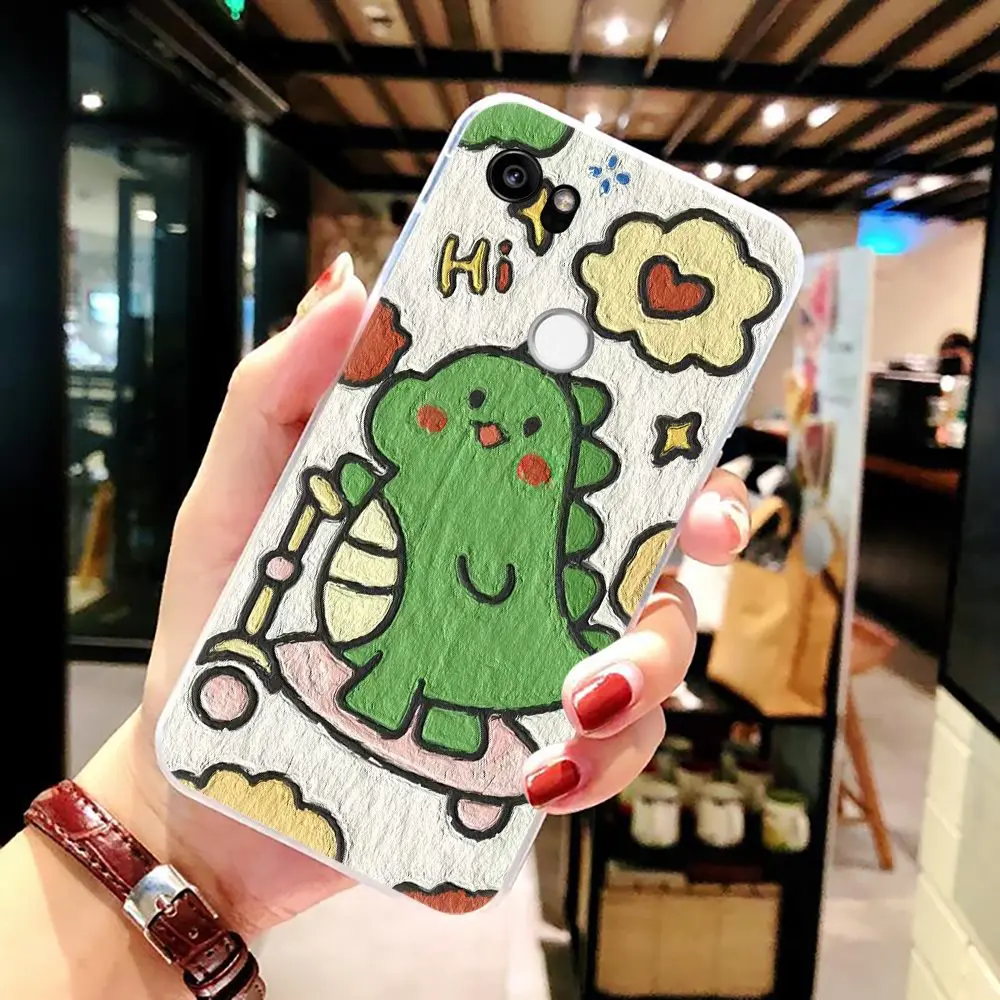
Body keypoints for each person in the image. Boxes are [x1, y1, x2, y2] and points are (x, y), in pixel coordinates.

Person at [0, 253, 751, 998]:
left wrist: (192, 862)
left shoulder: (512, 525)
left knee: (449, 631)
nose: (494, 433)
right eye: (474, 403)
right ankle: (395, 691)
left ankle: (424, 704)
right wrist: (164, 826)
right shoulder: (412, 476)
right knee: (419, 620)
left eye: (525, 431)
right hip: (341, 633)